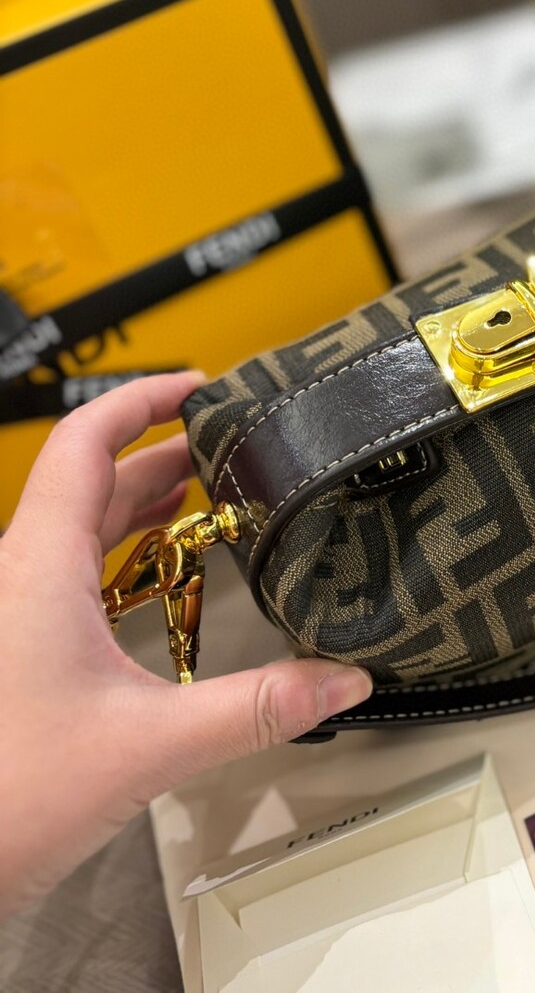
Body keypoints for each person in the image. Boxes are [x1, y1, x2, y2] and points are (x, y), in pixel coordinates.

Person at [0, 371, 373, 921]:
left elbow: (174, 596)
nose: (198, 535)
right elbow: (168, 590)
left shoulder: (174, 550)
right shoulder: (172, 549)